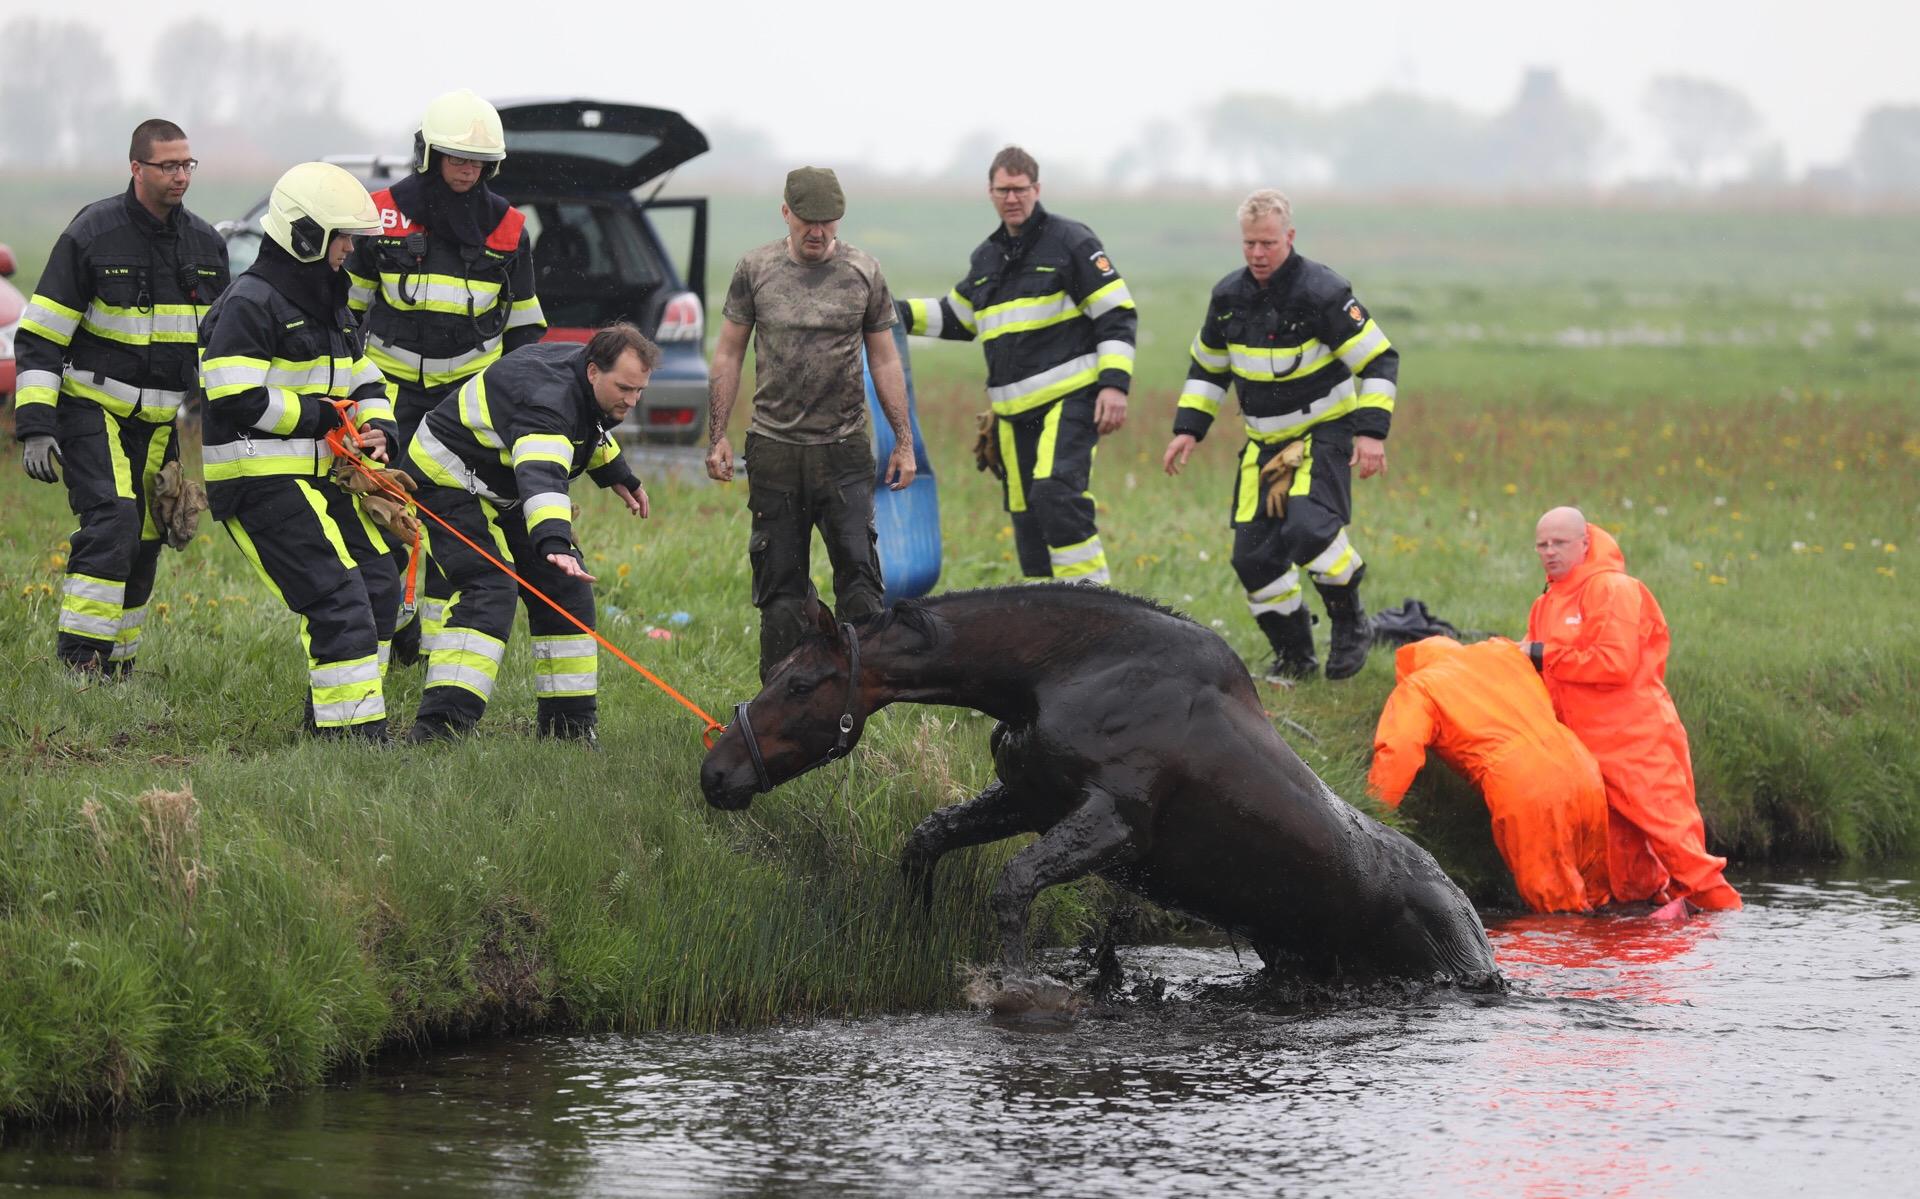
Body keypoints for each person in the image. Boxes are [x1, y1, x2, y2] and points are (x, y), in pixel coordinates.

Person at [13, 118, 230, 675]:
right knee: (113, 522)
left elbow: (220, 352)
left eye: (187, 164)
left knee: (150, 537)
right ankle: (79, 665)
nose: (180, 175)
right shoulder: (92, 233)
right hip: (92, 410)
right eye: (168, 165)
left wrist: (221, 437)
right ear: (136, 168)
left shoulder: (207, 245)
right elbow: (39, 335)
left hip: (164, 425)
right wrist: (36, 425)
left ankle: (119, 667)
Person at [197, 162, 400, 739]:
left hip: (320, 477)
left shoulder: (328, 299)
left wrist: (378, 429)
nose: (350, 251)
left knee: (380, 585)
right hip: (259, 481)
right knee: (338, 598)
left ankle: (339, 725)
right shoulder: (251, 301)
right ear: (306, 235)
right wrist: (319, 417)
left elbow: (363, 378)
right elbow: (232, 392)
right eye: (344, 238)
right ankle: (354, 743)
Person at [1161, 189, 1397, 684]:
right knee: (1253, 557)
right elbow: (1208, 368)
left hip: (1323, 433)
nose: (1257, 254)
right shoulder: (1227, 297)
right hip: (1263, 446)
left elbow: (1379, 359)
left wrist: (1371, 434)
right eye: (1249, 244)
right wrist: (1188, 430)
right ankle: (1295, 657)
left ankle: (1350, 620)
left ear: (1289, 236)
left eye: (1267, 242)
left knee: (1309, 529)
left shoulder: (1323, 292)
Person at [344, 88, 546, 662]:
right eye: (456, 157)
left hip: (465, 404)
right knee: (377, 512)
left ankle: (433, 651)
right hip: (384, 394)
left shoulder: (509, 229)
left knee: (449, 520)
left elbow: (526, 328)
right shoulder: (379, 213)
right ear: (429, 154)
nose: (466, 170)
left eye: (477, 161)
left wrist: (521, 401)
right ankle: (381, 635)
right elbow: (347, 314)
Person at [706, 166, 914, 680]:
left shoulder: (864, 271)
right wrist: (718, 436)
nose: (818, 232)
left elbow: (885, 361)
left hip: (843, 452)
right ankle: (782, 702)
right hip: (774, 452)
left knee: (862, 588)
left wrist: (903, 443)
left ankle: (859, 699)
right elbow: (729, 353)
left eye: (828, 221)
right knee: (781, 595)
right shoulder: (754, 269)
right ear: (786, 214)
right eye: (807, 221)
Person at [403, 323, 655, 745]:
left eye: (640, 391)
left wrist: (617, 473)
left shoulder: (582, 376)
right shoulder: (547, 401)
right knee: (489, 588)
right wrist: (554, 541)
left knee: (566, 587)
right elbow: (543, 475)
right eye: (625, 389)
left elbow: (586, 427)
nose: (631, 401)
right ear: (594, 371)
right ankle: (440, 730)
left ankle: (568, 730)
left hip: (502, 483)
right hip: (446, 479)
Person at [896, 146, 1133, 585]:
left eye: (1020, 189)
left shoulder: (1071, 241)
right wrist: (890, 312)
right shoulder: (987, 258)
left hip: (1071, 401)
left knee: (1056, 495)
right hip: (1011, 417)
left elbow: (1116, 312)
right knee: (1027, 523)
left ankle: (1098, 614)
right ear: (990, 192)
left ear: (1036, 189)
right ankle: (1050, 626)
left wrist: (1114, 386)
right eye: (1003, 190)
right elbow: (957, 317)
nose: (1012, 198)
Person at [1519, 506, 1743, 912]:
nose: (1550, 552)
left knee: (1683, 854)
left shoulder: (1613, 589)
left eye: (1560, 543)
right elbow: (1539, 666)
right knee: (1624, 873)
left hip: (1638, 743)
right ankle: (1636, 941)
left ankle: (1727, 937)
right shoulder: (1546, 602)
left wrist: (1541, 653)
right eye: (1542, 544)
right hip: (1585, 752)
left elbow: (1614, 663)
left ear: (1584, 543)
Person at [1368, 635, 1611, 914]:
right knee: (1598, 900)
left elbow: (1399, 752)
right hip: (1583, 768)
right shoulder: (1502, 652)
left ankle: (1550, 959)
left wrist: (1373, 815)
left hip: (1526, 782)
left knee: (1555, 913)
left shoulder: (1419, 686)